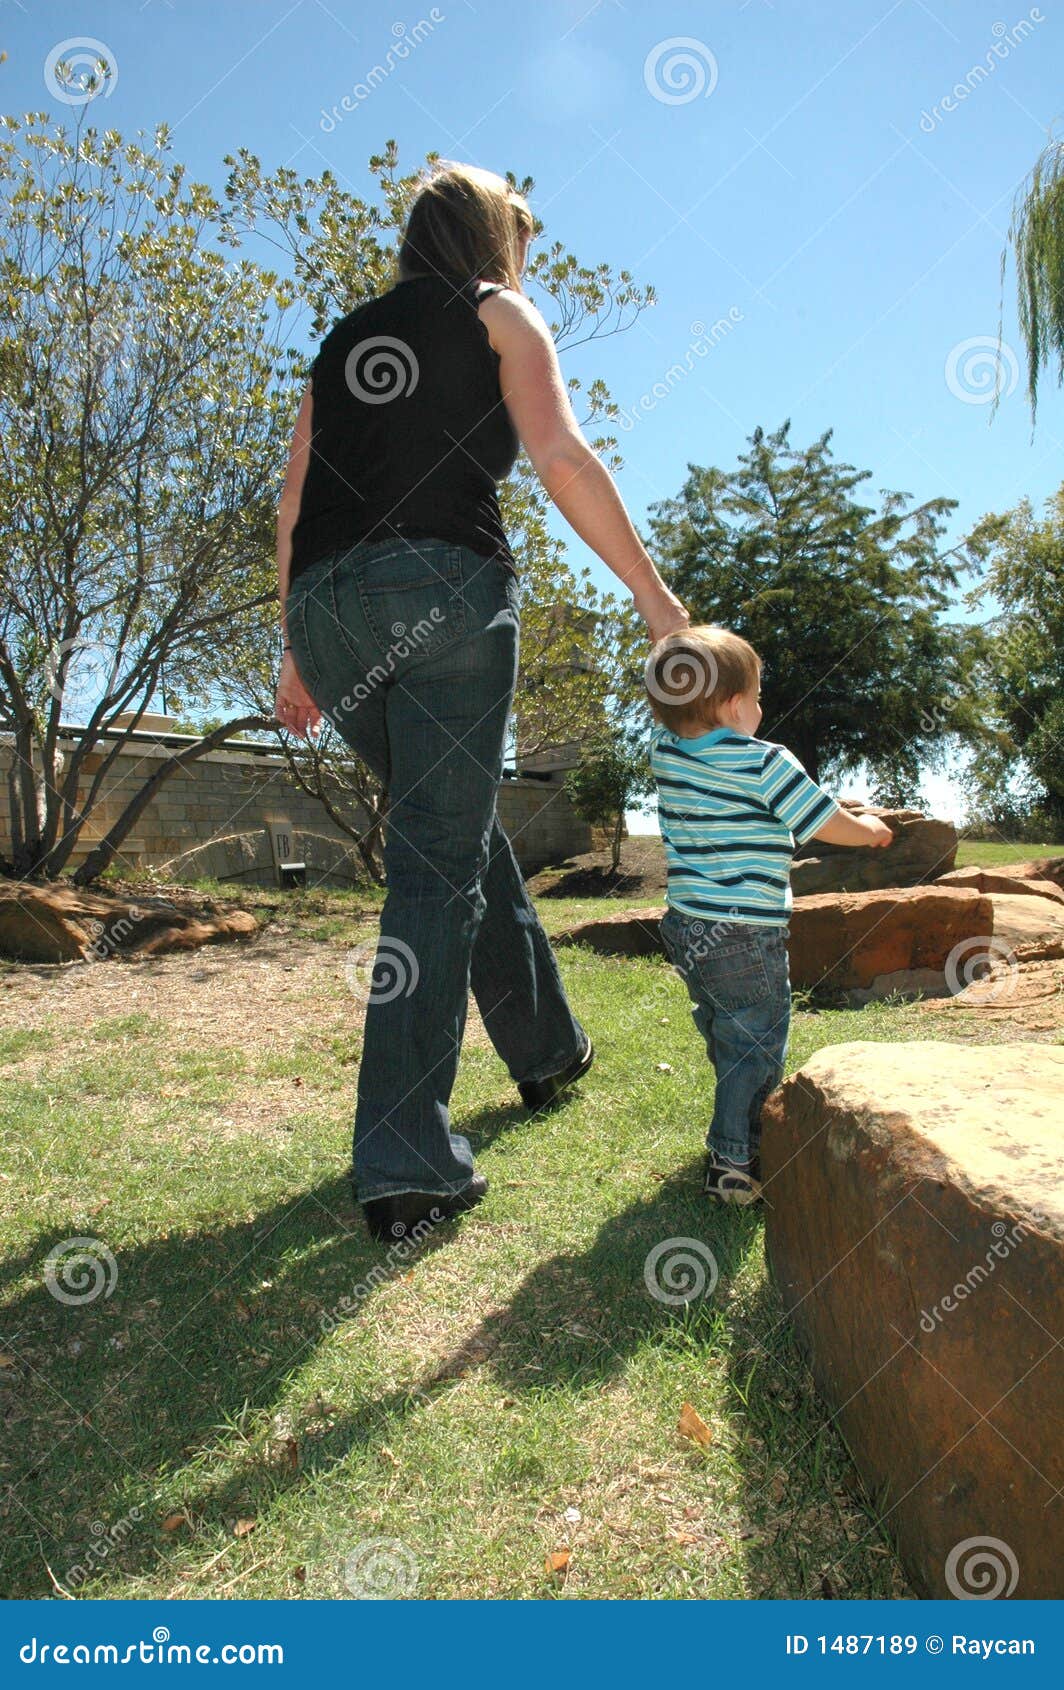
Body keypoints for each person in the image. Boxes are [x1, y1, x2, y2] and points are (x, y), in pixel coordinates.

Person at [273, 161, 689, 1242]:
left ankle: (546, 1048)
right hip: (444, 591)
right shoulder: (500, 312)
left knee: (446, 827)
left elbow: (293, 496)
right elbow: (556, 452)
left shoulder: (339, 338)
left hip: (327, 610)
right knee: (434, 863)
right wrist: (656, 601)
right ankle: (404, 1162)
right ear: (489, 241)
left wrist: (292, 654)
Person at [645, 625, 893, 1206]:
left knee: (728, 1031)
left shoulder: (665, 753)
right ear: (733, 705)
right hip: (745, 932)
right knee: (756, 1043)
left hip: (687, 928)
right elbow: (821, 823)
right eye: (756, 697)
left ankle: (735, 1123)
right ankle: (737, 1161)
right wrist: (869, 831)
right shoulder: (765, 762)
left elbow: (749, 793)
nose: (761, 708)